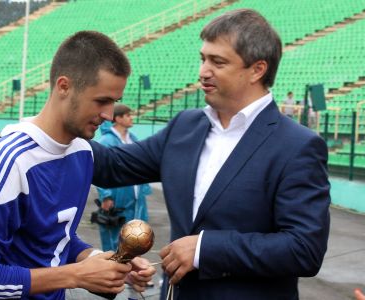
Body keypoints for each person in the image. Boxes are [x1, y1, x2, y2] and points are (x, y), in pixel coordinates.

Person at [90, 9, 330, 300]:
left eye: (217, 62)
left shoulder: (297, 145)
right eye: (203, 59)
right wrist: (56, 126)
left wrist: (205, 249)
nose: (203, 71)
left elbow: (304, 249)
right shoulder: (185, 126)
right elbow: (113, 166)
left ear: (257, 70)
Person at [0, 31, 155, 300]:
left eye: (114, 102)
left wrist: (104, 263)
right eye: (101, 101)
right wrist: (76, 274)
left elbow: (56, 240)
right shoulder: (10, 160)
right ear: (64, 86)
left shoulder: (83, 151)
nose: (109, 115)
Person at [96, 103, 152, 251]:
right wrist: (106, 196)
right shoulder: (106, 141)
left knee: (135, 237)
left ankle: (129, 270)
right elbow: (100, 169)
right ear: (118, 118)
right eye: (128, 115)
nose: (131, 118)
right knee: (116, 238)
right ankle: (113, 269)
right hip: (118, 197)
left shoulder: (133, 139)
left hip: (135, 198)